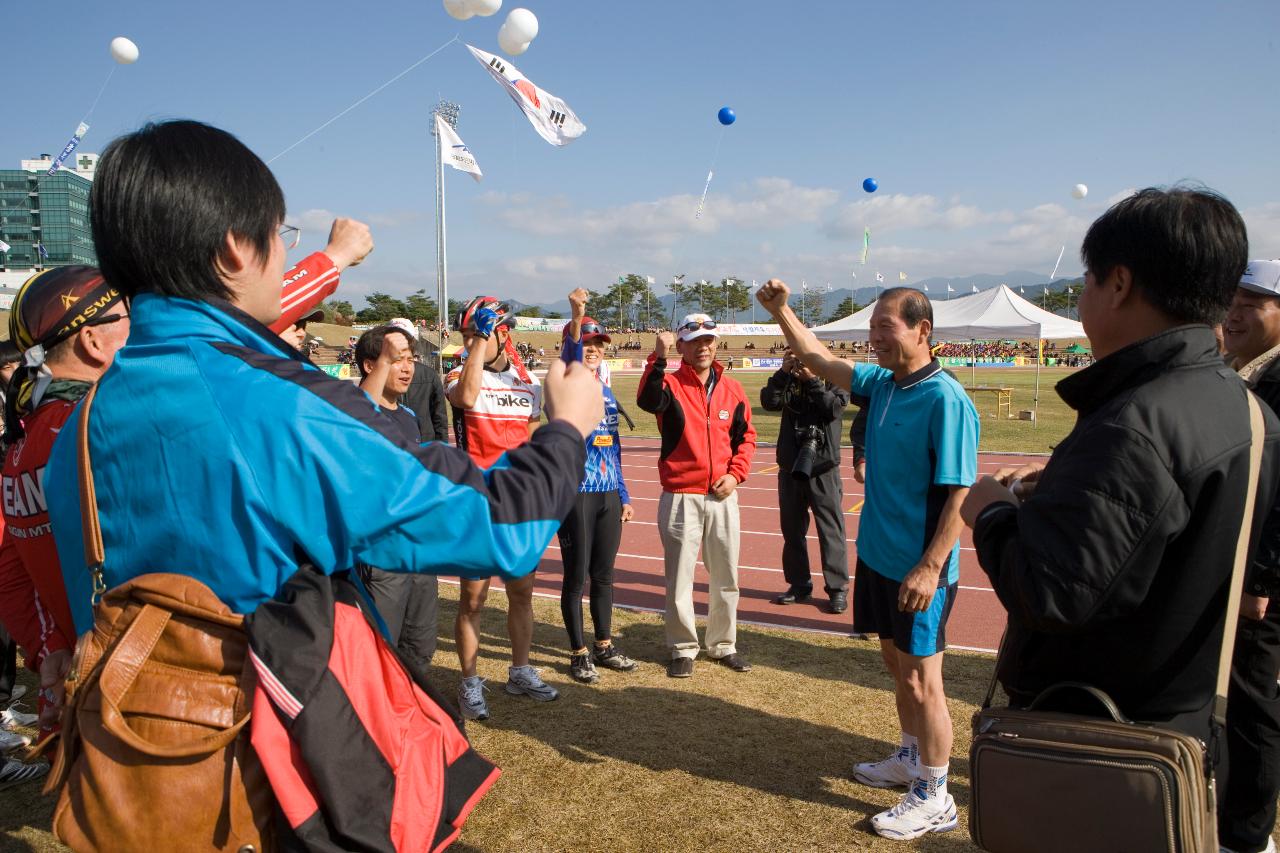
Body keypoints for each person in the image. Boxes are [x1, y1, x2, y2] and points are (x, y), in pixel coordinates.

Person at [42, 121, 602, 738]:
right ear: (235, 249)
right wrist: (568, 427)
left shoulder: (81, 421)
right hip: (270, 769)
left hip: (130, 763)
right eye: (281, 235)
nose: (283, 253)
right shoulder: (277, 404)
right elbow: (501, 525)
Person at [958, 190, 1280, 848]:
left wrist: (991, 512)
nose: (1081, 301)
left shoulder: (1136, 422)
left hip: (1099, 741)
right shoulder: (1245, 409)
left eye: (1086, 281)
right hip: (1186, 728)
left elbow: (1053, 591)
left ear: (1120, 283)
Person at [756, 281, 978, 841]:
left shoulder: (946, 400)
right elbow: (815, 357)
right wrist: (781, 311)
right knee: (896, 666)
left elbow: (959, 496)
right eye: (872, 326)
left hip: (918, 570)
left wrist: (930, 567)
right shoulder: (883, 385)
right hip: (878, 559)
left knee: (926, 681)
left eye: (887, 327)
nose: (875, 337)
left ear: (922, 332)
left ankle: (935, 793)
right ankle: (909, 756)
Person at [0, 267, 130, 744]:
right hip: (134, 688)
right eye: (130, 317)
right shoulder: (94, 426)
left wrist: (49, 649)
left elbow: (11, 570)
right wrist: (330, 262)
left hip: (71, 686)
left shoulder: (23, 438)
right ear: (93, 341)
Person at [447, 295, 558, 719]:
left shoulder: (528, 383)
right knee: (473, 600)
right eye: (464, 334)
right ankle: (470, 681)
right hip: (476, 505)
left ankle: (520, 670)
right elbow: (468, 397)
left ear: (503, 334)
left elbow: (529, 445)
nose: (466, 340)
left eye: (475, 333)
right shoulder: (459, 371)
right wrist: (478, 338)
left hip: (517, 507)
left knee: (522, 595)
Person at [636, 313, 757, 678]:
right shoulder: (670, 384)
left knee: (726, 576)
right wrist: (658, 357)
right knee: (680, 578)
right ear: (682, 345)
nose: (703, 347)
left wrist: (735, 476)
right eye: (695, 341)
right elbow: (646, 399)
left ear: (716, 344)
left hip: (723, 496)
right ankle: (682, 647)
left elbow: (746, 438)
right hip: (681, 495)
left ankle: (723, 645)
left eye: (709, 340)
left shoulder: (732, 389)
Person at [1216, 258, 1280, 853]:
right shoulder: (1237, 369)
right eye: (1230, 300)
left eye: (1252, 304)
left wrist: (1261, 579)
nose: (1233, 313)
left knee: (1253, 706)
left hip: (1258, 582)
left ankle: (1247, 834)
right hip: (1229, 565)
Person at [557, 289, 637, 683]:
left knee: (604, 575)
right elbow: (570, 352)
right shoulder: (568, 381)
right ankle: (578, 652)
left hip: (607, 494)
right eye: (588, 343)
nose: (593, 349)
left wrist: (623, 493)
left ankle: (604, 645)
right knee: (576, 577)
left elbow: (614, 446)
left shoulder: (605, 391)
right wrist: (578, 314)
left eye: (599, 344)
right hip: (577, 494)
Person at [352, 324, 441, 678]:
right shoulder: (353, 411)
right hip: (381, 553)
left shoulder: (408, 417)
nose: (408, 368)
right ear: (370, 366)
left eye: (411, 360)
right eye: (396, 360)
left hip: (417, 549)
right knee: (379, 645)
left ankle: (411, 711)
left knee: (419, 644)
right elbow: (359, 414)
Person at [760, 347, 850, 613]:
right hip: (790, 465)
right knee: (792, 531)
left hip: (823, 467)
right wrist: (783, 372)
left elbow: (832, 408)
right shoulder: (788, 378)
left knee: (830, 531)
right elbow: (769, 402)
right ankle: (799, 585)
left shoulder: (836, 378)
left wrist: (812, 380)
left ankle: (837, 589)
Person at [388, 317, 448, 443]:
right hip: (391, 447)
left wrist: (442, 451)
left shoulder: (430, 375)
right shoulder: (378, 373)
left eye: (404, 338)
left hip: (425, 446)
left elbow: (440, 419)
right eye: (395, 338)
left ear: (413, 341)